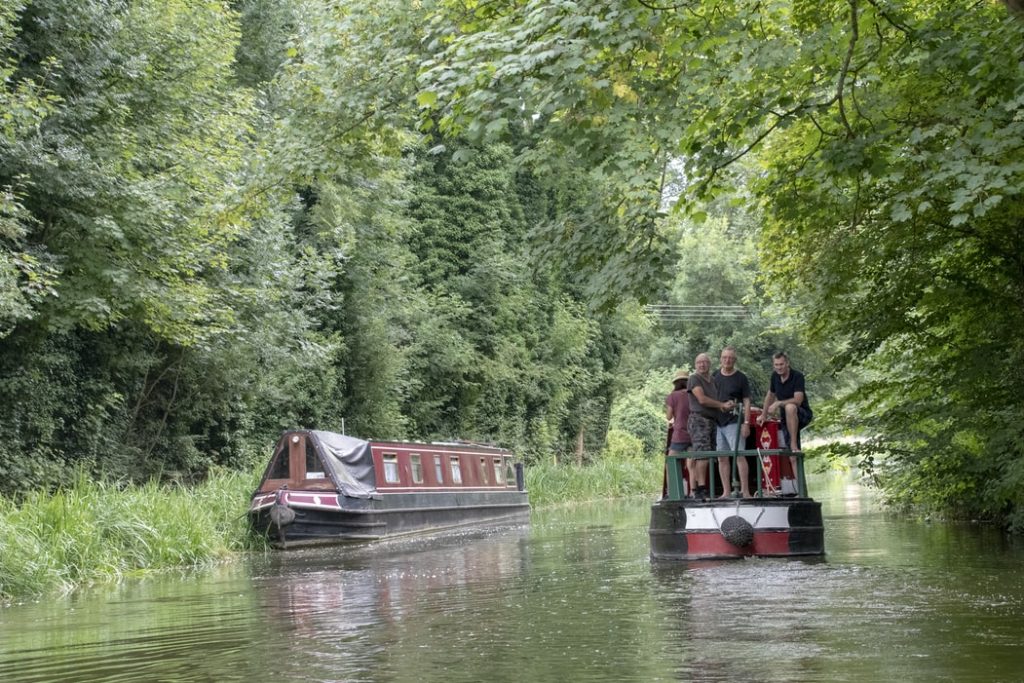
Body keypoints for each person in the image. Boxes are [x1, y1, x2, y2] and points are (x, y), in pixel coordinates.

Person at [687, 353, 735, 499]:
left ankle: (704, 488)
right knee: (702, 455)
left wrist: (726, 406)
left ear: (709, 364)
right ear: (695, 365)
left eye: (705, 362)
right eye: (699, 362)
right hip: (699, 419)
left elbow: (716, 401)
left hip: (712, 420)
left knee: (709, 455)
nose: (702, 365)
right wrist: (721, 405)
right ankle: (700, 489)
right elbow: (701, 399)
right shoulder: (694, 378)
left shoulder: (713, 380)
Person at [757, 351, 813, 477]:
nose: (779, 367)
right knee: (792, 456)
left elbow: (798, 400)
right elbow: (770, 395)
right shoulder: (775, 376)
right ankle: (800, 491)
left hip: (802, 413)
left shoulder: (797, 376)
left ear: (787, 363)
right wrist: (764, 414)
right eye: (776, 365)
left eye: (781, 364)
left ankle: (793, 443)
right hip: (787, 419)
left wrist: (778, 403)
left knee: (790, 407)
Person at [713, 346, 753, 498]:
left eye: (730, 358)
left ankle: (746, 491)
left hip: (735, 422)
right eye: (724, 357)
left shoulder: (741, 377)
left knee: (739, 455)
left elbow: (747, 401)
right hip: (718, 422)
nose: (727, 360)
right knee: (722, 457)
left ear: (734, 360)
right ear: (721, 359)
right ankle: (726, 492)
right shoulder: (715, 375)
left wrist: (746, 423)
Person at [663, 369, 691, 497]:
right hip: (694, 434)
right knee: (692, 464)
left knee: (671, 462)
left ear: (676, 383)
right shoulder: (693, 394)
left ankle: (672, 492)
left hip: (679, 434)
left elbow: (669, 417)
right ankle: (693, 492)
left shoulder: (672, 396)